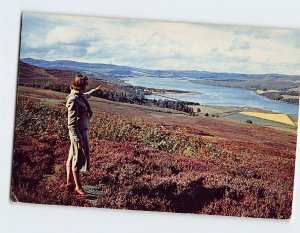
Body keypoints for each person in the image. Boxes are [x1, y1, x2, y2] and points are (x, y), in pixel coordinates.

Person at [65, 74, 102, 196]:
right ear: (81, 85)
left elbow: (86, 96)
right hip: (78, 132)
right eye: (85, 85)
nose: (87, 87)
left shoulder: (79, 95)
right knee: (78, 159)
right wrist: (78, 139)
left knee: (71, 156)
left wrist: (95, 90)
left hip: (80, 131)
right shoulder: (73, 99)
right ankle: (78, 187)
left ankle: (69, 183)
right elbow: (71, 124)